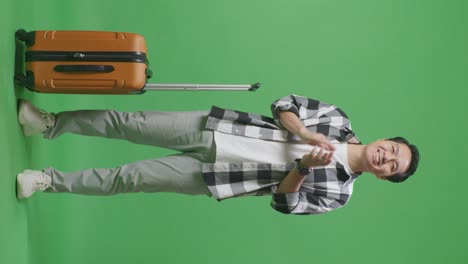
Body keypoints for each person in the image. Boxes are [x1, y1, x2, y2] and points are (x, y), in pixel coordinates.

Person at [16, 94, 420, 215]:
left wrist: (301, 167)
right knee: (131, 121)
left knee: (131, 178)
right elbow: (284, 102)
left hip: (220, 177)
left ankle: (49, 181)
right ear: (387, 139)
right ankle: (49, 124)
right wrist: (303, 131)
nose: (387, 157)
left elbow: (285, 203)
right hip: (220, 128)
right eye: (393, 149)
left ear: (385, 177)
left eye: (392, 166)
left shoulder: (339, 194)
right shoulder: (338, 118)